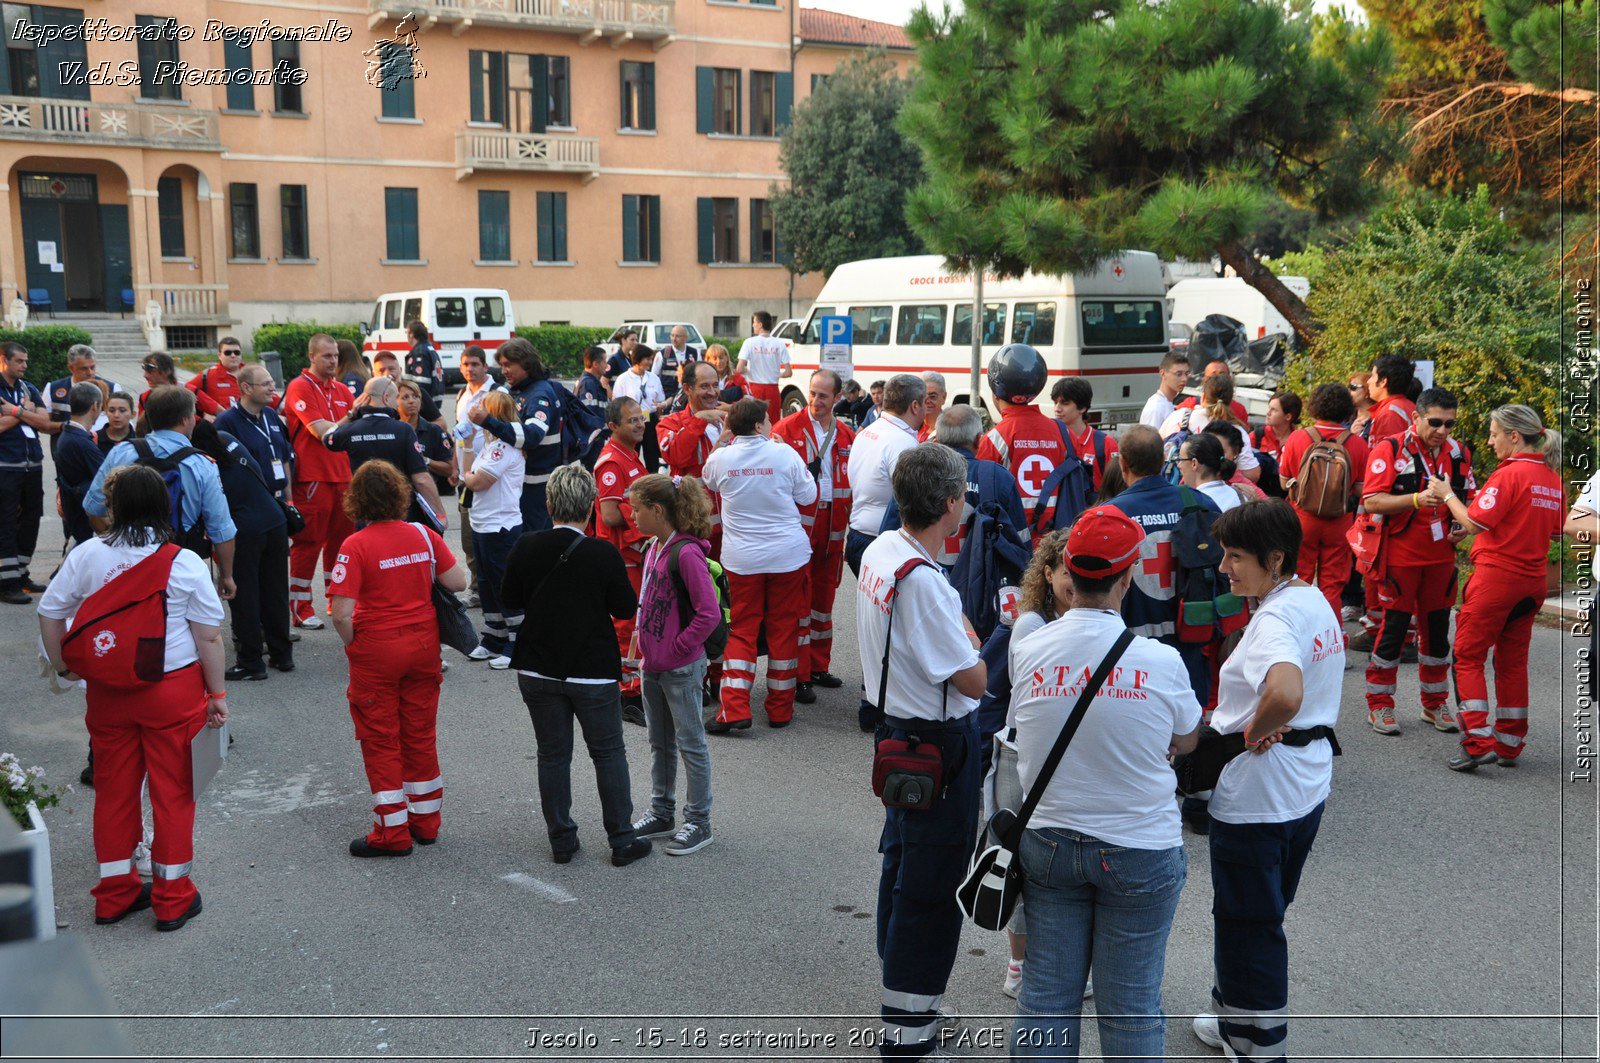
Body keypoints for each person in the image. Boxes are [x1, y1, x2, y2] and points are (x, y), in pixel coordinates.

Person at [1008, 506, 1200, 1060]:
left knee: (1044, 997)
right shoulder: (1159, 662)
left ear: (1067, 570)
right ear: (1128, 575)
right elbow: (1186, 740)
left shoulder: (1030, 650)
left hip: (1048, 845)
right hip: (1139, 846)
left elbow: (1027, 726)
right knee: (1131, 1006)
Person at [37, 464, 227, 931]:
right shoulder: (183, 561)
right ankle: (172, 898)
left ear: (113, 506)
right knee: (174, 794)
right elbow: (208, 639)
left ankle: (115, 894)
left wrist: (66, 667)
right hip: (171, 692)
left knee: (114, 792)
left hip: (107, 693)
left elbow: (50, 612)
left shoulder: (86, 554)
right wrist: (217, 694)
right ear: (165, 507)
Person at [1193, 499, 1344, 1063]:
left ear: (1274, 558)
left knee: (1248, 922)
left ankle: (1257, 1045)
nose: (1224, 569)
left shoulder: (1275, 618)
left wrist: (1254, 731)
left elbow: (1285, 692)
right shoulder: (1311, 599)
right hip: (1306, 784)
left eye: (1236, 557)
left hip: (1260, 794)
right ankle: (1230, 1012)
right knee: (1262, 912)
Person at [855, 443, 987, 1059]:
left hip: (897, 731)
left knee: (901, 863)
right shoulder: (926, 582)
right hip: (938, 742)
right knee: (931, 889)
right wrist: (973, 641)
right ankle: (908, 1027)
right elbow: (972, 680)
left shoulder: (884, 551)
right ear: (951, 504)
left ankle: (901, 990)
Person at [502, 464, 650, 867]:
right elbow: (623, 607)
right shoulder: (602, 552)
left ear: (549, 504)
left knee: (552, 754)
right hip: (591, 668)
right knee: (607, 752)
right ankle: (621, 838)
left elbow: (509, 600)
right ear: (590, 509)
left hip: (538, 666)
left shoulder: (526, 545)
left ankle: (562, 840)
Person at [328, 462, 465, 855]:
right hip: (423, 645)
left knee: (380, 739)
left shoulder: (355, 545)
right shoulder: (423, 535)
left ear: (357, 501)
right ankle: (426, 823)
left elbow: (340, 613)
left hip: (377, 650)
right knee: (419, 733)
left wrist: (354, 644)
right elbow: (458, 582)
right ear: (400, 496)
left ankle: (392, 833)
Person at [1432, 405, 1564, 770]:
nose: (1490, 441)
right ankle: (1509, 742)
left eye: (1493, 434)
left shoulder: (1510, 474)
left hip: (1497, 579)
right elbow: (1553, 529)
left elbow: (1475, 520)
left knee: (1468, 656)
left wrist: (1446, 494)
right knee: (1512, 661)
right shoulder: (1552, 478)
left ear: (1514, 436)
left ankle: (1477, 740)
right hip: (1532, 581)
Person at [975, 529, 1072, 1000]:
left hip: (1064, 755)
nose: (1074, 579)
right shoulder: (1032, 624)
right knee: (1017, 861)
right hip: (1020, 753)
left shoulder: (1095, 616)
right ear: (1048, 572)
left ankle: (1050, 961)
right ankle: (1018, 965)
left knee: (1055, 866)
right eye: (1065, 569)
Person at [1356, 387, 1475, 734]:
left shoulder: (1459, 453)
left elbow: (1466, 500)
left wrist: (1459, 528)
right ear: (1416, 418)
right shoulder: (1390, 448)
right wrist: (1416, 500)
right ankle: (1380, 705)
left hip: (1440, 559)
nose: (1442, 430)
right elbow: (1373, 501)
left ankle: (1434, 704)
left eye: (1449, 424)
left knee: (1438, 634)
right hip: (1399, 558)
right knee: (1393, 632)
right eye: (1435, 422)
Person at [702, 397, 817, 732]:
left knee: (742, 629)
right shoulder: (783, 453)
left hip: (742, 559)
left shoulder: (721, 459)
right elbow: (809, 497)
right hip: (788, 556)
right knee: (783, 627)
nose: (771, 424)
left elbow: (708, 480)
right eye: (767, 419)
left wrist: (722, 440)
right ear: (757, 425)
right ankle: (780, 710)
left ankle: (734, 708)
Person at [627, 473, 721, 857]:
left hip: (680, 668)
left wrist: (679, 648)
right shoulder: (654, 546)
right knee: (659, 742)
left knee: (691, 744)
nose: (631, 516)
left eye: (636, 509)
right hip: (653, 666)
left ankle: (699, 820)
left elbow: (708, 613)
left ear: (657, 510)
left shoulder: (686, 553)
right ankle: (662, 811)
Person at [85, 386, 238, 599]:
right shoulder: (202, 464)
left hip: (125, 562)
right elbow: (221, 528)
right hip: (177, 563)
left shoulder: (122, 451)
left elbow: (93, 507)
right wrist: (226, 575)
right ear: (185, 420)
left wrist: (112, 542)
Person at [1107, 424, 1218, 706]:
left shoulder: (1106, 517)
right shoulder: (1203, 505)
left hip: (1129, 664)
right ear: (1163, 460)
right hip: (1190, 655)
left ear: (1122, 463)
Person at [771, 369, 855, 703]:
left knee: (824, 602)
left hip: (834, 526)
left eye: (823, 396)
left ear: (838, 397)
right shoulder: (785, 429)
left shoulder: (848, 434)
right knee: (799, 603)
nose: (816, 402)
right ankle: (800, 674)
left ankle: (819, 666)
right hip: (799, 526)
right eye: (812, 394)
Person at [191, 420, 293, 681]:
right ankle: (282, 654)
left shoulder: (200, 463)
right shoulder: (227, 438)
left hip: (244, 530)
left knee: (244, 595)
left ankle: (251, 661)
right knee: (276, 590)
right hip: (274, 520)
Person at [281, 333, 355, 629]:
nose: (333, 361)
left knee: (342, 544)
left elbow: (353, 430)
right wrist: (352, 414)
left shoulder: (340, 389)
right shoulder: (300, 386)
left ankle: (336, 600)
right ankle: (300, 606)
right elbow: (323, 433)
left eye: (336, 355)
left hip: (344, 477)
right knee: (308, 543)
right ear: (312, 356)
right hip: (313, 479)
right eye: (327, 356)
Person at [1278, 382, 1368, 618]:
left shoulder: (1298, 438)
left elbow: (1283, 480)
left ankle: (1298, 628)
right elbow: (1361, 488)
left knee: (1299, 578)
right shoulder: (1357, 443)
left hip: (1302, 517)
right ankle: (1329, 635)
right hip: (1339, 520)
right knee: (1333, 583)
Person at [324, 377, 447, 531]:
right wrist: (439, 513)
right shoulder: (403, 430)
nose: (397, 403)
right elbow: (421, 478)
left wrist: (351, 414)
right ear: (386, 398)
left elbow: (327, 438)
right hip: (399, 512)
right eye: (396, 397)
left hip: (364, 512)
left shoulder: (351, 429)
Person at [593, 396, 652, 718]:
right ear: (614, 426)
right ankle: (627, 695)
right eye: (633, 420)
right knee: (626, 626)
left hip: (636, 556)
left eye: (641, 418)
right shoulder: (612, 463)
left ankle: (634, 687)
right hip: (623, 558)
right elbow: (611, 514)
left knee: (636, 625)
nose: (640, 424)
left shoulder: (630, 455)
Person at [459, 389, 526, 668]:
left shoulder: (503, 448)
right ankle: (493, 636)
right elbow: (468, 474)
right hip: (482, 523)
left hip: (500, 526)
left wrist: (469, 476)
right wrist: (466, 444)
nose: (477, 413)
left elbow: (477, 482)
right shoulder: (490, 444)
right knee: (486, 583)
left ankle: (517, 640)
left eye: (483, 409)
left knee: (503, 585)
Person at [977, 344, 1072, 538]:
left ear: (995, 392)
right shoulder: (1062, 433)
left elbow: (983, 497)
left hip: (1012, 546)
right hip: (1056, 543)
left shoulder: (994, 439)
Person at [471, 337, 563, 533]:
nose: (503, 371)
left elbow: (531, 436)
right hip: (521, 484)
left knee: (533, 543)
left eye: (508, 365)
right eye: (501, 365)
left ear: (526, 364)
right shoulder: (518, 390)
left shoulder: (539, 395)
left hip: (536, 487)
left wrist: (488, 421)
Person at [847, 373, 926, 573]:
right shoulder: (904, 443)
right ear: (915, 406)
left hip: (858, 534)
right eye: (925, 403)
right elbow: (912, 501)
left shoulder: (866, 433)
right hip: (883, 541)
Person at [657, 361, 730, 545]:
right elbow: (675, 456)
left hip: (733, 525)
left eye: (715, 385)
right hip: (695, 527)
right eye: (704, 386)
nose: (712, 392)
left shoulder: (730, 419)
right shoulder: (670, 424)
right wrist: (699, 420)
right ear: (687, 388)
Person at [452, 345, 502, 604]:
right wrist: (454, 465)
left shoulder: (497, 394)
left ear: (485, 366)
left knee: (491, 536)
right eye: (465, 365)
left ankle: (494, 588)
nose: (469, 369)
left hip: (490, 474)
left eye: (474, 364)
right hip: (466, 477)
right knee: (468, 537)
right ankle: (478, 588)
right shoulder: (462, 394)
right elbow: (459, 434)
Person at [0, 342, 48, 602]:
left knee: (31, 519)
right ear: (4, 360)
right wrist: (26, 413)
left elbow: (45, 421)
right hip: (6, 466)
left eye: (26, 361)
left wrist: (16, 411)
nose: (24, 366)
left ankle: (21, 573)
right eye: (19, 361)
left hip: (33, 466)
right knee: (6, 522)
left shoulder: (28, 388)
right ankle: (7, 583)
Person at [1162, 374, 1262, 483]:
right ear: (1231, 400)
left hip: (1172, 486)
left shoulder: (1178, 416)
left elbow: (1159, 447)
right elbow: (1252, 474)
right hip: (1216, 494)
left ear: (1203, 397)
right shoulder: (1235, 432)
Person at [216, 365, 294, 504]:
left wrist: (290, 500)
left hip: (280, 500)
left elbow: (284, 458)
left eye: (272, 383)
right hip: (252, 505)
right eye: (265, 384)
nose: (272, 388)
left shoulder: (270, 414)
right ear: (247, 388)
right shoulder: (226, 422)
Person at [45, 344, 125, 452]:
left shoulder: (112, 388)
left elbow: (124, 424)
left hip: (104, 453)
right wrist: (67, 426)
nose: (90, 373)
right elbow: (43, 425)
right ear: (71, 368)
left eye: (93, 367)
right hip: (67, 454)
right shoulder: (53, 388)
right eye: (84, 368)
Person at [55, 382, 105, 550]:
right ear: (95, 406)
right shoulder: (81, 442)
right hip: (85, 518)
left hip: (76, 514)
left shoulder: (68, 435)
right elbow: (105, 479)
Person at [1051, 377, 1119, 494]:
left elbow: (1117, 490)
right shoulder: (1050, 441)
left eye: (1064, 403)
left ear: (1082, 408)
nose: (1057, 409)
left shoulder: (1106, 444)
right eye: (1055, 402)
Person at [397, 379, 455, 502]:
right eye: (405, 397)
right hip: (397, 498)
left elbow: (450, 469)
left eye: (415, 396)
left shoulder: (434, 431)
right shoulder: (390, 430)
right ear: (395, 402)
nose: (412, 401)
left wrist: (425, 460)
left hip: (426, 499)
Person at [734, 310, 791, 424]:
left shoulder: (749, 342)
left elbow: (739, 369)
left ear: (760, 324)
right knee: (772, 424)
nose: (753, 325)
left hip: (754, 389)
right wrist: (775, 374)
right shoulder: (779, 343)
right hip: (773, 390)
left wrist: (749, 371)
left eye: (754, 322)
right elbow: (788, 372)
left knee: (752, 423)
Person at [615, 345, 666, 471]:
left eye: (651, 359)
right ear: (638, 359)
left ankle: (653, 483)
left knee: (652, 455)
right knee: (632, 453)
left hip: (650, 420)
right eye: (647, 359)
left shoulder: (654, 378)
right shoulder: (623, 379)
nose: (650, 362)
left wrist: (660, 407)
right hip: (631, 422)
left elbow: (660, 399)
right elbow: (616, 403)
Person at [372, 349, 446, 429]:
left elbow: (442, 423)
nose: (387, 374)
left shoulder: (416, 392)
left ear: (400, 370)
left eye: (391, 369)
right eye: (381, 371)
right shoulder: (371, 399)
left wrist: (417, 433)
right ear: (373, 374)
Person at [1179, 431, 1247, 512]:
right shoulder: (1240, 497)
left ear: (1194, 463)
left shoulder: (1189, 504)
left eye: (1181, 459)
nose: (1179, 465)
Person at [1174, 357, 1251, 427]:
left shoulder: (1240, 409)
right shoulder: (1189, 405)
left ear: (1229, 379)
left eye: (1222, 375)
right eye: (1213, 376)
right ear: (1204, 380)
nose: (1217, 380)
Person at [185, 336, 246, 415]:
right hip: (222, 424)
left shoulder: (251, 373)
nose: (233, 355)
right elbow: (187, 388)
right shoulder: (209, 375)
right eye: (228, 353)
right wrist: (205, 413)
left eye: (237, 352)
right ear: (219, 356)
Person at [1366, 354, 1416, 442]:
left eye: (1373, 376)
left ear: (1383, 382)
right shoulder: (1408, 405)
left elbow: (1386, 453)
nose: (1368, 381)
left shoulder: (1389, 414)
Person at [1139, 350, 1191, 429]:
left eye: (1186, 374)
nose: (1184, 379)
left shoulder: (1167, 403)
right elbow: (1149, 441)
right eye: (1178, 374)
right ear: (1163, 374)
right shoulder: (1156, 408)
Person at [1253, 391, 1300, 459]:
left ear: (1288, 417)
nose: (1268, 413)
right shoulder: (1257, 436)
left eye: (1274, 410)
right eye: (1269, 408)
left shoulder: (1298, 441)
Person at [405, 319, 444, 398]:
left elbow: (421, 382)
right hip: (434, 399)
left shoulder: (419, 352)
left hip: (425, 402)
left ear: (411, 334)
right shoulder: (430, 349)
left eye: (407, 332)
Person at [97, 392, 136, 458]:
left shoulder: (140, 442)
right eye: (111, 410)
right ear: (106, 413)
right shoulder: (93, 439)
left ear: (133, 414)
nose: (116, 415)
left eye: (122, 410)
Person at [576, 346, 610, 412]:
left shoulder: (591, 382)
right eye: (604, 362)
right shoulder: (588, 384)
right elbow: (589, 415)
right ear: (595, 364)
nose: (606, 365)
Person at [917, 371, 946, 442]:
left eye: (932, 396)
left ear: (944, 397)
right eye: (923, 396)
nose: (927, 401)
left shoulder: (953, 430)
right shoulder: (910, 427)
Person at [1348, 372, 1374, 439]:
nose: (1348, 391)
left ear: (1367, 391)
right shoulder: (1344, 418)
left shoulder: (1378, 419)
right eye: (1348, 387)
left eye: (1353, 387)